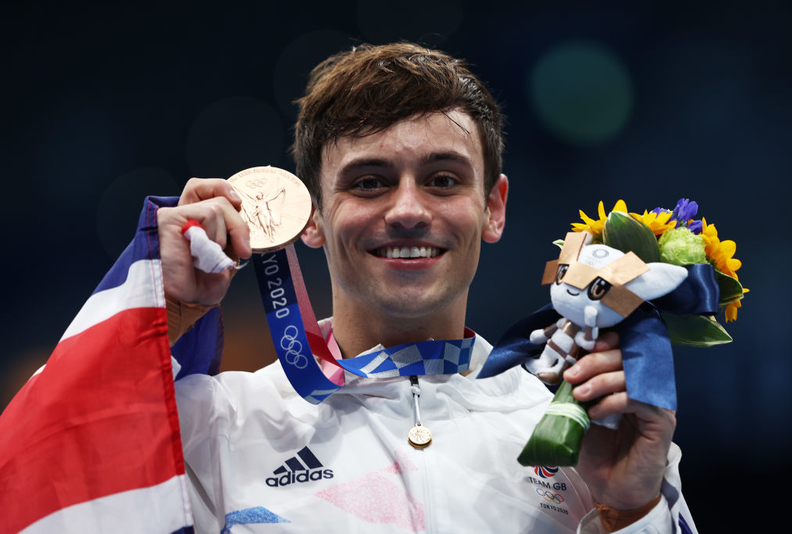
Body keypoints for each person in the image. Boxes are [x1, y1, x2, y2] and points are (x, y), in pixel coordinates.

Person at [8, 42, 695, 533]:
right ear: (312, 216)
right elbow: (32, 474)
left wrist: (630, 512)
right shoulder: (214, 424)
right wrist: (165, 311)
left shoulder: (585, 427)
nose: (406, 209)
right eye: (368, 181)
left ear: (494, 208)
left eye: (443, 179)